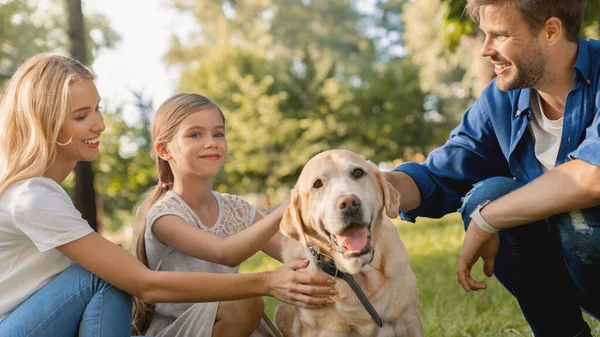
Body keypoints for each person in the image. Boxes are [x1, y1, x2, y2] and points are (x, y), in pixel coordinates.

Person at [0, 53, 335, 337]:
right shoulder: (32, 196)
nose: (100, 124)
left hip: (40, 316)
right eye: (81, 116)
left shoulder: (42, 192)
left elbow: (295, 253)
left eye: (97, 109)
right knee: (104, 275)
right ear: (44, 122)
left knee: (109, 273)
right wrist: (266, 281)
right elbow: (145, 284)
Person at [384, 0, 599, 336]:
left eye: (499, 36)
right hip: (584, 264)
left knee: (574, 213)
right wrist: (363, 186)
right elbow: (437, 177)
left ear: (551, 31)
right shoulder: (501, 101)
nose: (486, 50)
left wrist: (489, 218)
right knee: (489, 195)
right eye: (485, 35)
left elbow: (592, 177)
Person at [131, 93, 310, 337]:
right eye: (195, 134)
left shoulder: (236, 209)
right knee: (246, 302)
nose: (211, 142)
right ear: (164, 150)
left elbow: (297, 255)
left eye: (218, 133)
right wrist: (288, 206)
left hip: (234, 323)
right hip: (181, 328)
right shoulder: (165, 216)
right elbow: (225, 253)